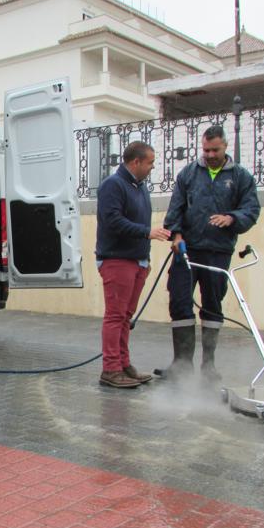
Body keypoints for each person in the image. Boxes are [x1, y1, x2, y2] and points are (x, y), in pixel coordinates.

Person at [159, 125, 261, 382]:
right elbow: (175, 210)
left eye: (215, 149)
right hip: (187, 251)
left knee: (213, 306)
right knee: (179, 301)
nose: (210, 154)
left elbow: (251, 210)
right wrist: (177, 235)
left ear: (225, 147)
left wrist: (232, 218)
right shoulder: (189, 174)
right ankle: (181, 365)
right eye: (206, 149)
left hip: (218, 252)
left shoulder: (241, 177)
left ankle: (209, 366)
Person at [96, 142, 170, 388]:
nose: (152, 167)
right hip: (117, 259)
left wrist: (145, 259)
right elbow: (113, 221)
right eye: (149, 162)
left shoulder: (140, 187)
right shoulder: (113, 185)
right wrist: (147, 232)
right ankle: (110, 369)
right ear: (135, 162)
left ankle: (124, 365)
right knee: (116, 316)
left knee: (126, 317)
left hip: (137, 261)